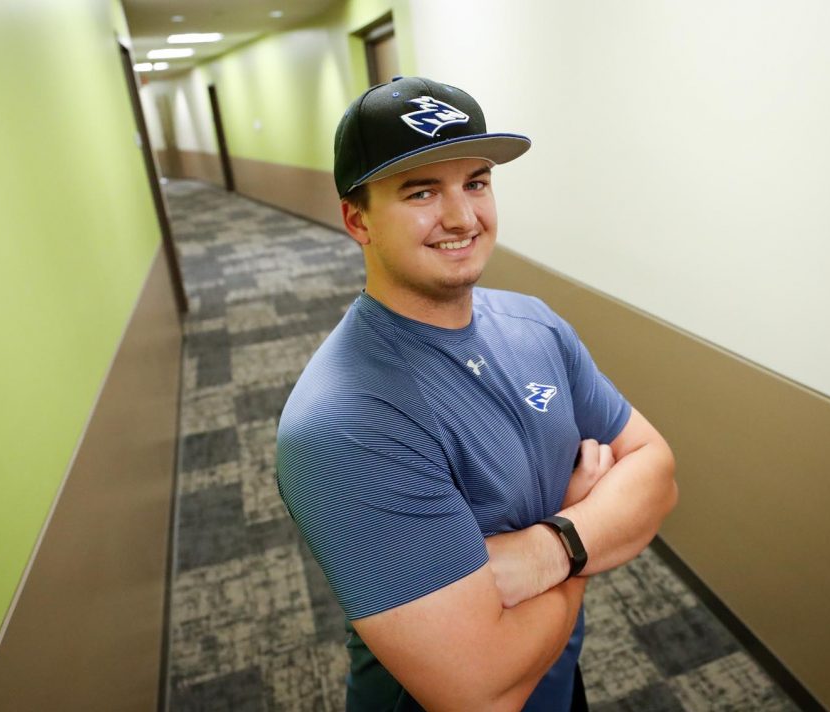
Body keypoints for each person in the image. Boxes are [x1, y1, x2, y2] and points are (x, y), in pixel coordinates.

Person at [276, 76, 677, 711]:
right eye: (421, 191)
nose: (463, 217)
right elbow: (480, 693)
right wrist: (589, 536)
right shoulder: (345, 421)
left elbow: (657, 471)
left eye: (476, 182)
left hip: (557, 678)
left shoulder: (534, 324)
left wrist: (554, 547)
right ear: (358, 219)